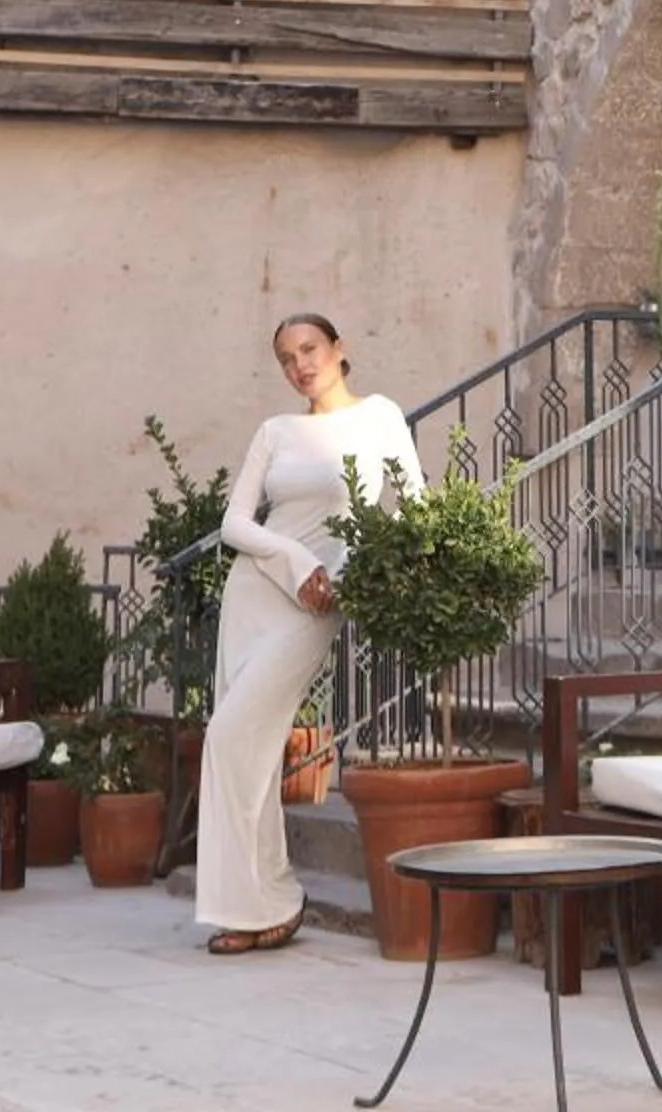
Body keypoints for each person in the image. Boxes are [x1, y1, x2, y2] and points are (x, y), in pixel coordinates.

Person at [197, 310, 423, 954]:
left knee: (230, 735)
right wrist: (297, 562)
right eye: (287, 358)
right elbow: (236, 524)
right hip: (258, 592)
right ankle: (252, 906)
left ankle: (271, 901)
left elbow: (412, 507)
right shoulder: (275, 431)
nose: (300, 364)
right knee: (244, 747)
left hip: (316, 605)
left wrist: (352, 574)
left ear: (338, 349)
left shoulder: (380, 416)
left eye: (309, 349)